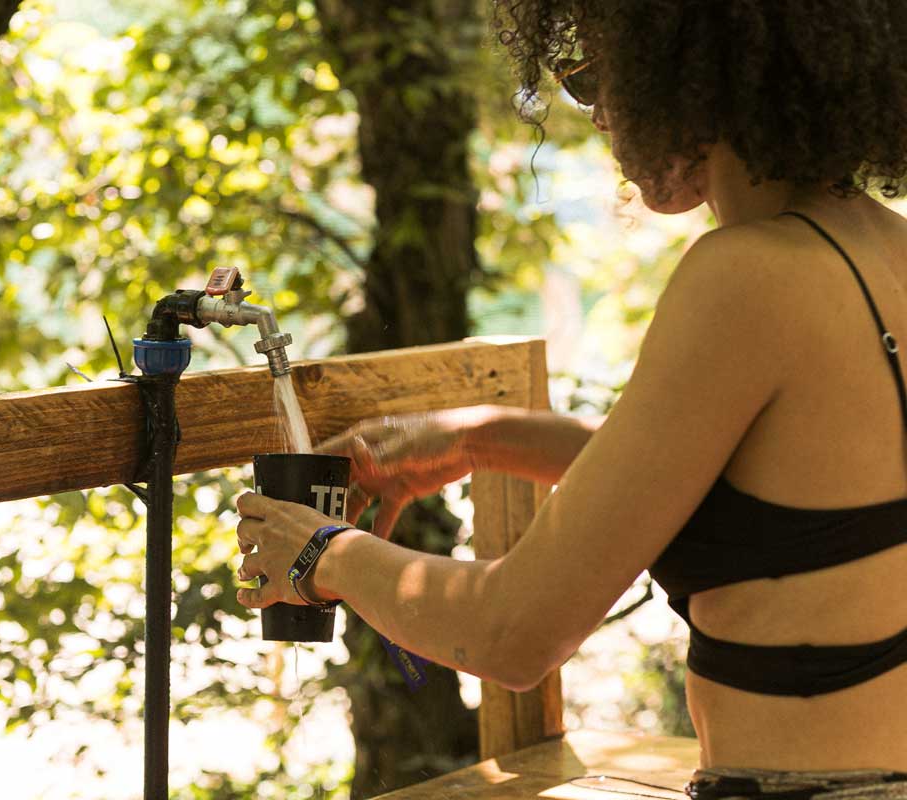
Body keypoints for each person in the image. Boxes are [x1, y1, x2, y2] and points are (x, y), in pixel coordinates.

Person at [234, 3, 907, 796]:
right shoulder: (882, 250)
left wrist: (318, 553)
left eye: (593, 76)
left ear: (685, 70)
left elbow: (513, 633)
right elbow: (782, 507)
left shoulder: (745, 275)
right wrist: (482, 436)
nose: (600, 115)